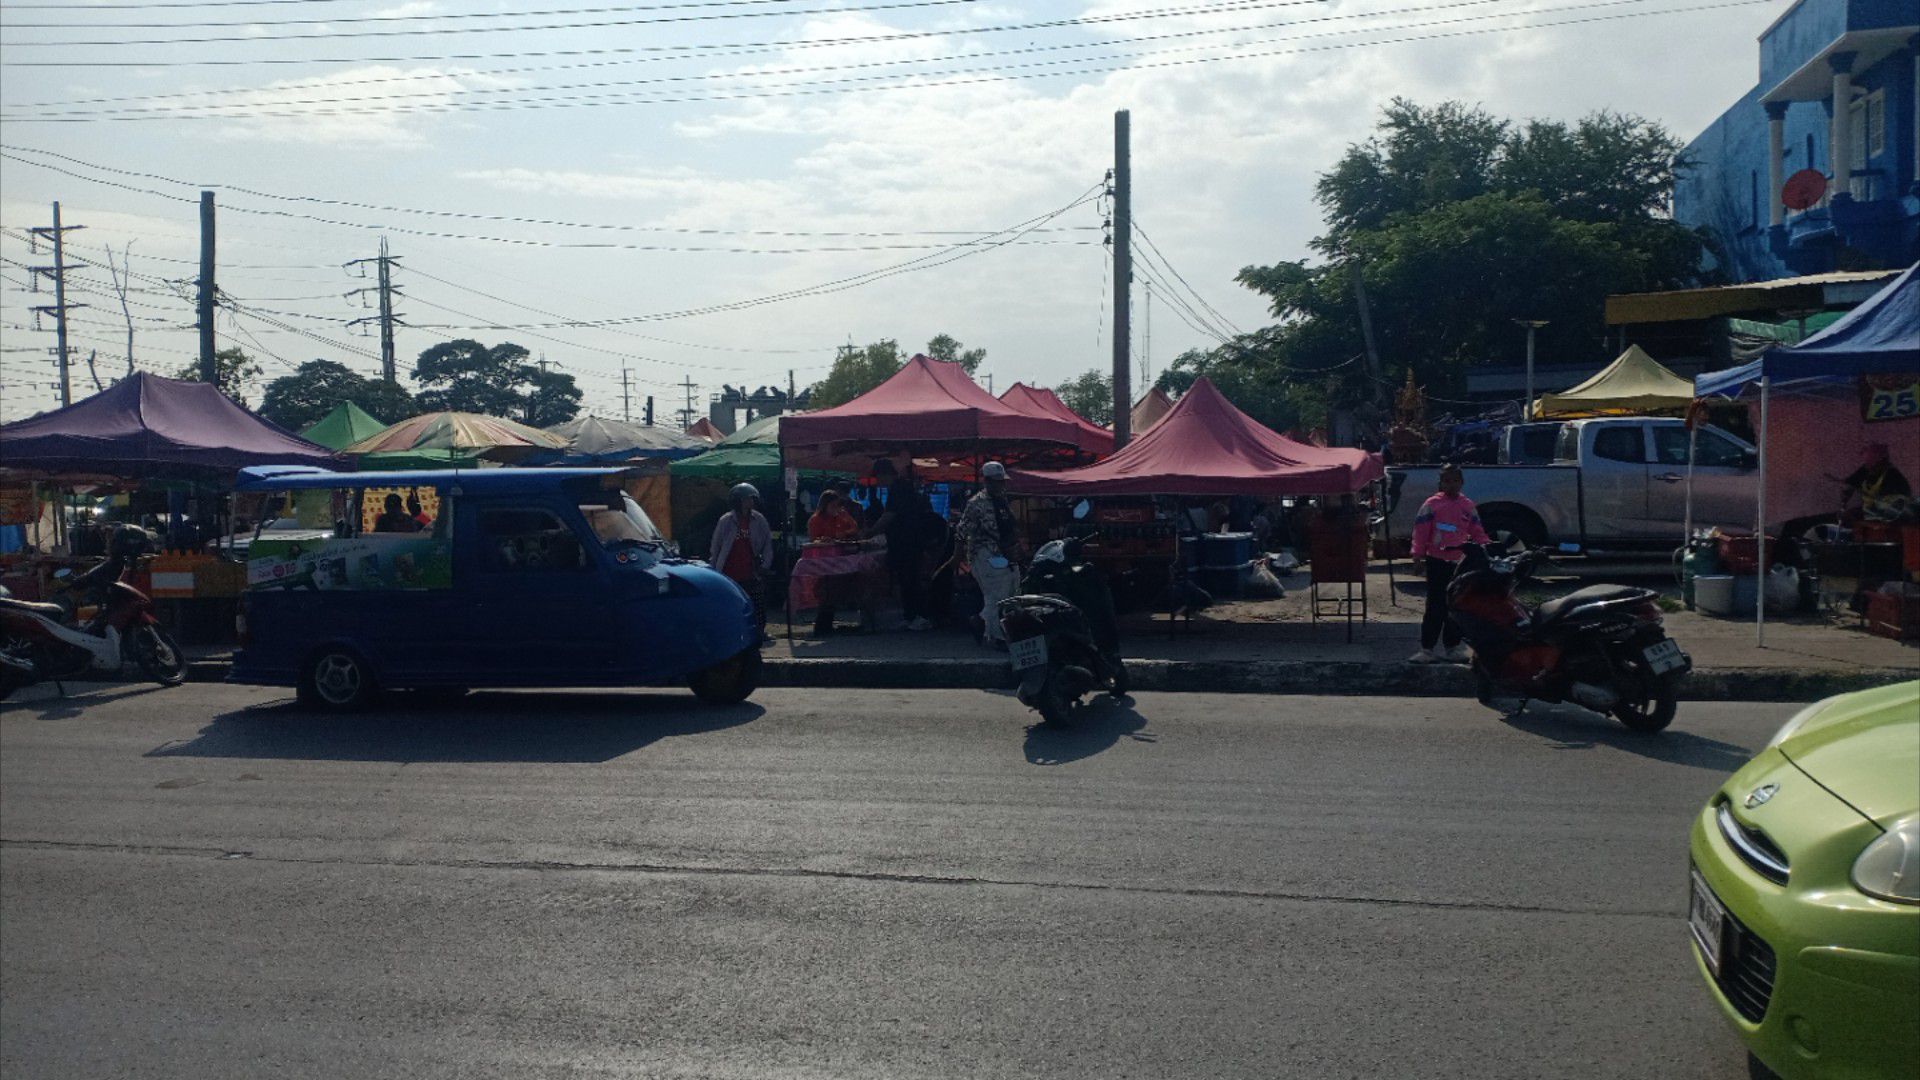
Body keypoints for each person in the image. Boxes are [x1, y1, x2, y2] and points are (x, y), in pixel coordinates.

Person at [1408, 464, 1489, 664]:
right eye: (1447, 481)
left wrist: (1487, 549)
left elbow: (1478, 531)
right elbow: (1420, 531)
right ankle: (1427, 649)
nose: (1451, 485)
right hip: (1436, 562)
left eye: (1455, 481)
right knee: (1435, 605)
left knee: (1456, 606)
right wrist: (1417, 556)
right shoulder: (1432, 504)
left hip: (1459, 564)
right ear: (1441, 483)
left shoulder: (1467, 506)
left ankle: (1452, 647)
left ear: (1462, 482)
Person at [955, 461, 1025, 649]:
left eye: (1001, 481)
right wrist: (957, 557)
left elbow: (1010, 527)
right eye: (996, 481)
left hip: (1005, 554)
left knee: (1011, 590)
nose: (1000, 485)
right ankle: (997, 637)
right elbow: (961, 532)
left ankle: (980, 621)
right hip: (985, 554)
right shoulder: (976, 504)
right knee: (997, 594)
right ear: (986, 481)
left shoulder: (1002, 500)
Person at [864, 459, 933, 631]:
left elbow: (889, 515)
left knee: (910, 579)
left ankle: (919, 616)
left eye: (878, 477)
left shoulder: (898, 489)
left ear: (885, 474)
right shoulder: (903, 487)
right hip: (906, 541)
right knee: (906, 579)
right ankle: (910, 615)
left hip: (907, 541)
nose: (878, 481)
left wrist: (871, 532)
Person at [709, 482, 773, 644]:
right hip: (729, 571)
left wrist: (765, 565)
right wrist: (714, 569)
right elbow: (716, 546)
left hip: (751, 570)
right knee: (731, 605)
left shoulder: (759, 520)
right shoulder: (726, 520)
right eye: (746, 499)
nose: (750, 502)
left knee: (757, 604)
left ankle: (759, 632)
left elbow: (767, 544)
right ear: (738, 501)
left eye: (751, 499)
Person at [806, 490, 864, 636]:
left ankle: (829, 623)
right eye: (833, 506)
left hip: (840, 558)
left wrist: (844, 534)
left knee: (837, 589)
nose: (836, 509)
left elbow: (854, 527)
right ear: (825, 505)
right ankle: (822, 626)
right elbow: (813, 539)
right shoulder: (815, 520)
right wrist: (824, 539)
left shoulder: (841, 515)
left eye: (837, 505)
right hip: (823, 561)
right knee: (826, 591)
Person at [1838, 442, 1911, 522]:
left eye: (1871, 460)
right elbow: (1850, 483)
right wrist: (1845, 495)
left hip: (1887, 518)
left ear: (1881, 460)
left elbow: (1895, 505)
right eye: (1866, 461)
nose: (1867, 464)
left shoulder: (1893, 476)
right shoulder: (1865, 469)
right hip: (1869, 513)